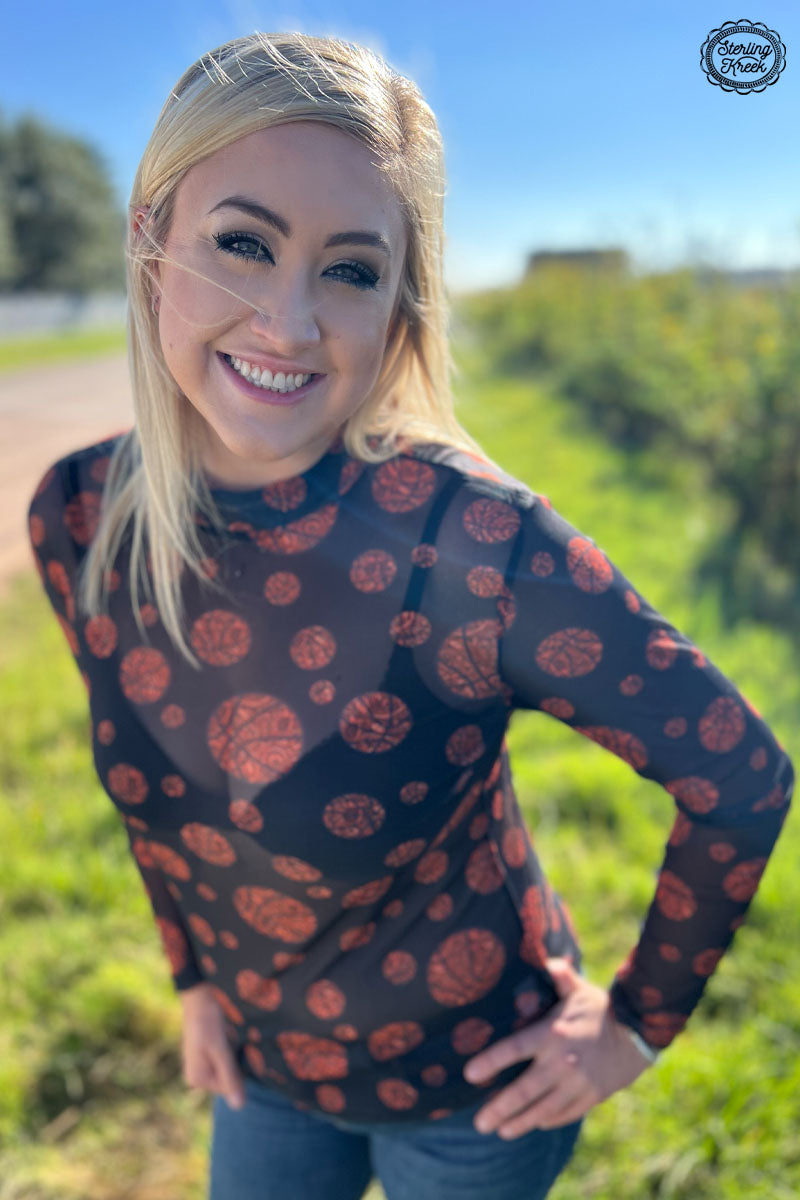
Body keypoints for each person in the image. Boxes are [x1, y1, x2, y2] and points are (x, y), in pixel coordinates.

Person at [26, 30, 794, 1200]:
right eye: (242, 244)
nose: (289, 322)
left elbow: (738, 776)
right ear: (150, 239)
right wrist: (192, 981)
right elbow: (161, 807)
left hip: (478, 1094)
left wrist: (634, 1028)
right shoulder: (82, 516)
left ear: (398, 301)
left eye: (348, 269)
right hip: (260, 1070)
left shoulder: (475, 543)